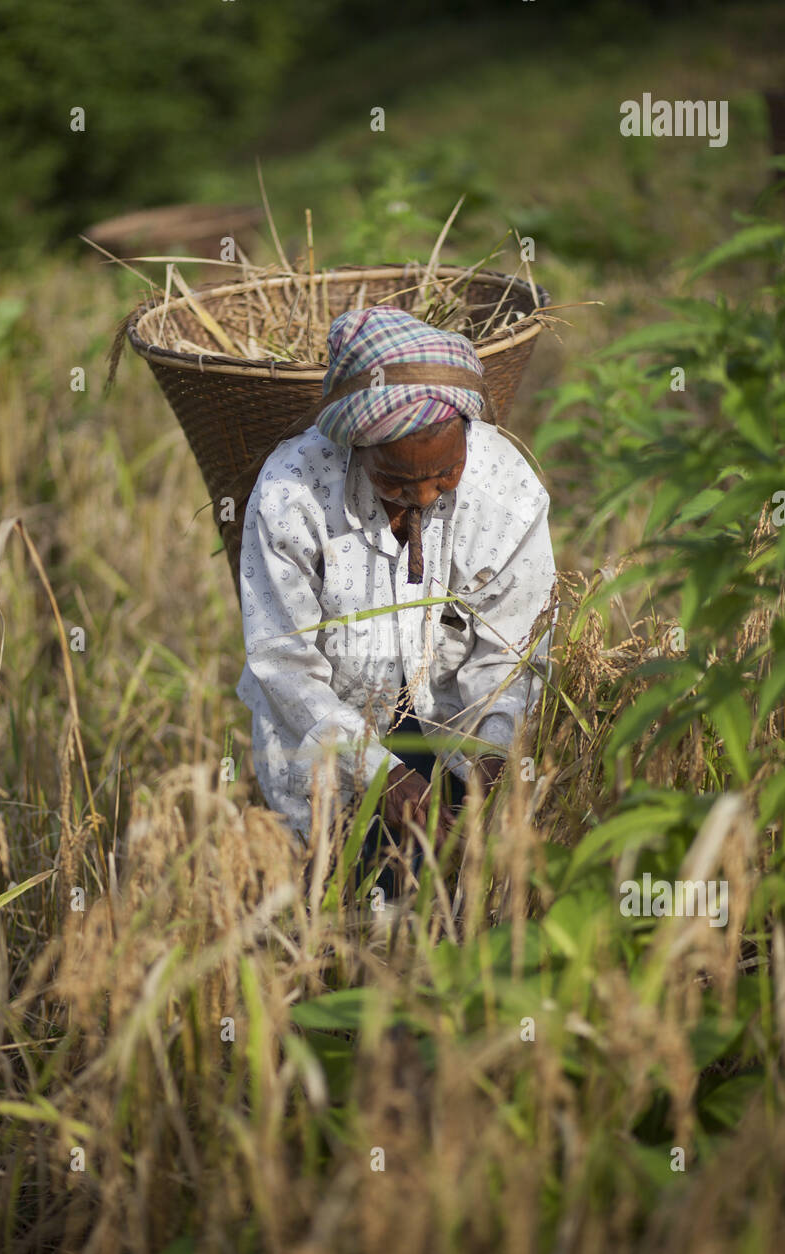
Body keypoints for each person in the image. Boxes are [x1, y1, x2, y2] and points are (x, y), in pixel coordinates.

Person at [236, 305, 556, 868]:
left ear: (466, 437)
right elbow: (284, 661)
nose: (426, 498)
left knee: (454, 906)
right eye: (395, 481)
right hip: (332, 737)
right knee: (332, 904)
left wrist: (491, 766)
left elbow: (514, 652)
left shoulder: (508, 493)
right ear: (355, 452)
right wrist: (379, 776)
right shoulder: (292, 495)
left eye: (445, 475)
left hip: (452, 724)